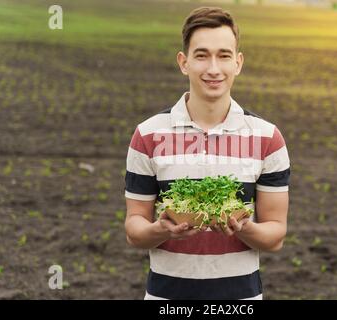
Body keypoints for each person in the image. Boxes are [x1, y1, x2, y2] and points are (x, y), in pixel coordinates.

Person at [124, 6, 290, 300]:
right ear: (183, 62)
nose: (213, 68)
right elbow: (134, 230)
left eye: (224, 55)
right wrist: (162, 230)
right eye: (201, 55)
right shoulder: (148, 134)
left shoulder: (267, 138)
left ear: (238, 63)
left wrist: (243, 227)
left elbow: (275, 236)